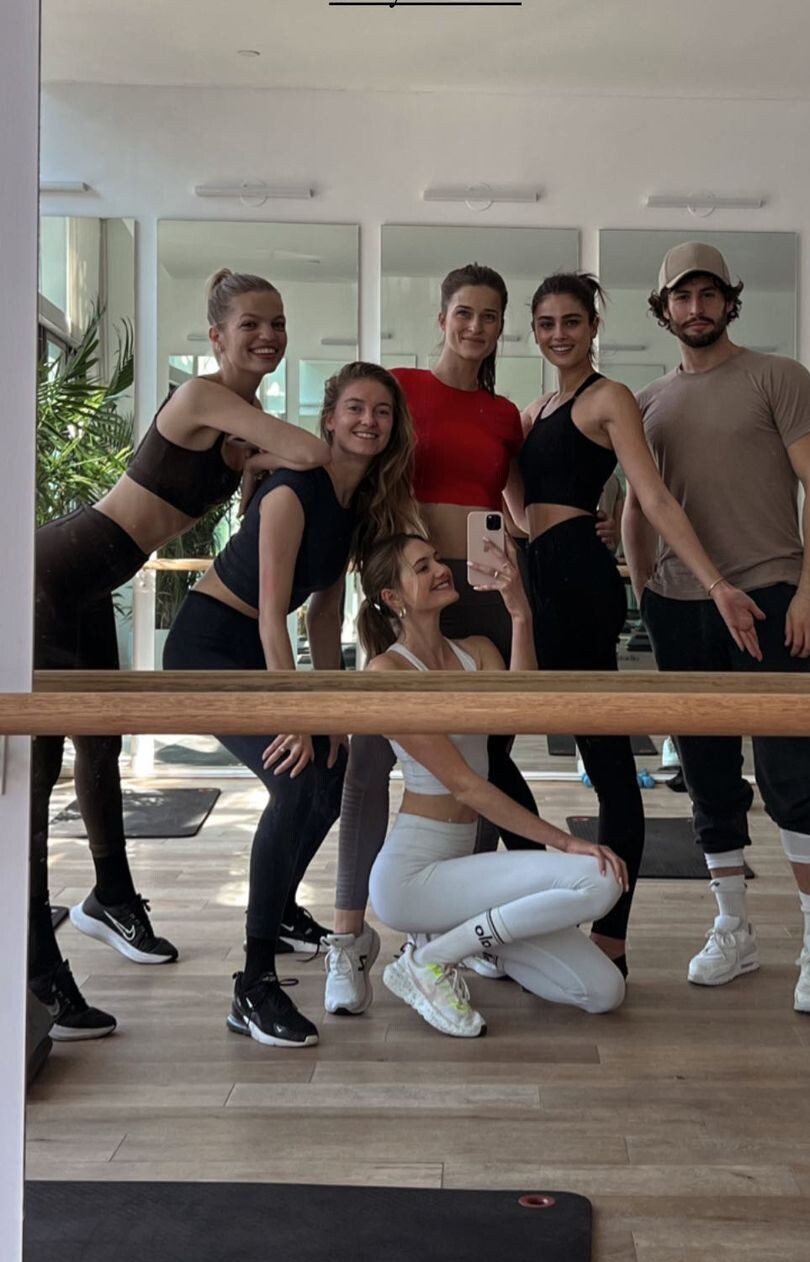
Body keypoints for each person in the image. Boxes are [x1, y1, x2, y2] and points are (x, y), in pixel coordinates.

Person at [30, 268, 332, 1042]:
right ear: (217, 336)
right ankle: (38, 971)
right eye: (251, 324)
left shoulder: (236, 424)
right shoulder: (202, 397)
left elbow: (263, 463)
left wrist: (249, 459)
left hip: (90, 583)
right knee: (34, 777)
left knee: (102, 745)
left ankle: (110, 897)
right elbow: (311, 449)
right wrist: (261, 455)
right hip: (53, 574)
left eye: (278, 323)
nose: (268, 336)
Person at [506, 270, 766, 976]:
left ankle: (611, 938)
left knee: (608, 760)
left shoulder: (609, 397)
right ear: (534, 333)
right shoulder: (533, 411)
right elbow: (519, 511)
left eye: (572, 321)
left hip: (580, 584)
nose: (559, 334)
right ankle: (534, 900)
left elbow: (651, 496)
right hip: (534, 577)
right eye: (546, 323)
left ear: (594, 327)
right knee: (493, 747)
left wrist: (714, 582)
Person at [164, 363, 417, 1049]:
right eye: (355, 407)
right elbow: (273, 614)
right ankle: (252, 983)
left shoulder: (353, 506)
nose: (369, 420)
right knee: (296, 778)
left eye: (382, 411)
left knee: (332, 775)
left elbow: (320, 619)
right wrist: (294, 715)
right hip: (209, 649)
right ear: (329, 418)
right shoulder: (292, 491)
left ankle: (275, 912)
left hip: (255, 651)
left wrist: (330, 716)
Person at [327, 262, 540, 1019]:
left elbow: (517, 507)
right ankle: (348, 937)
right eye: (464, 312)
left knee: (483, 757)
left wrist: (582, 526)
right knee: (370, 758)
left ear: (501, 327)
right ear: (443, 317)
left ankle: (453, 931)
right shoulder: (404, 389)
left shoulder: (505, 413)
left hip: (478, 590)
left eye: (490, 316)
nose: (476, 327)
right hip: (407, 584)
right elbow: (350, 455)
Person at [621, 242, 810, 1014]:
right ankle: (734, 926)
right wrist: (646, 590)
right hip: (680, 608)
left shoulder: (778, 377)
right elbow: (639, 504)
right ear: (664, 308)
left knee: (790, 770)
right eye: (682, 296)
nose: (696, 307)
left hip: (771, 594)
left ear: (729, 301)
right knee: (706, 771)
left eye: (709, 294)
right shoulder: (648, 401)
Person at [361, 533, 627, 1039]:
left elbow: (522, 715)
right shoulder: (386, 671)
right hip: (412, 877)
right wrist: (566, 841)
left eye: (437, 559)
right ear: (392, 597)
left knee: (603, 991)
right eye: (423, 566)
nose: (441, 569)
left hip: (462, 874)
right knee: (599, 879)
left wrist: (519, 612)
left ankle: (454, 942)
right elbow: (465, 785)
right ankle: (431, 959)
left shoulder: (477, 652)